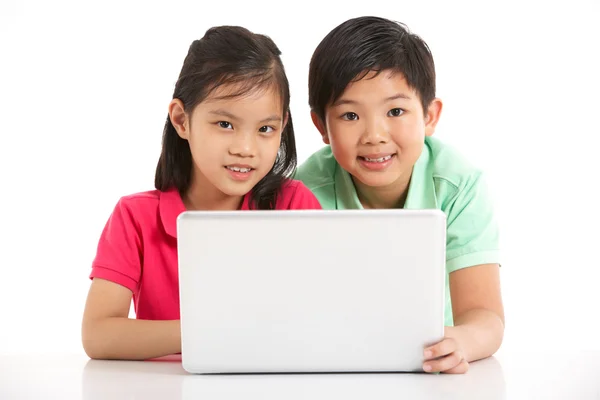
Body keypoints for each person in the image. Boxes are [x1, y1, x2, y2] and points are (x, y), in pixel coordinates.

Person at [82, 26, 321, 361]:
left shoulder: (293, 205)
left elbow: (322, 318)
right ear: (182, 120)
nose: (245, 148)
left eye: (265, 129)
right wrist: (209, 330)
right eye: (225, 124)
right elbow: (99, 335)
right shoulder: (134, 217)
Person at [295, 16, 504, 374]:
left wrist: (462, 343)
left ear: (429, 116)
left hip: (428, 365)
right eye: (349, 115)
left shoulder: (458, 185)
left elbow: (485, 316)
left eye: (395, 111)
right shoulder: (305, 191)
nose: (374, 135)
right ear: (321, 127)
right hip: (337, 362)